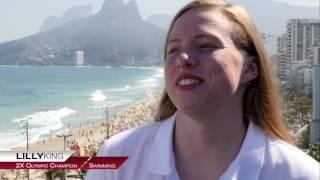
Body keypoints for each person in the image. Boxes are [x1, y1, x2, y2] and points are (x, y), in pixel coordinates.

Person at [85, 0, 320, 179]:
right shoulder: (116, 158)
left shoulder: (300, 173)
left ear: (250, 68)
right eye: (173, 49)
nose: (183, 59)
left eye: (206, 45)